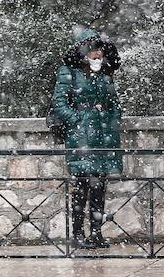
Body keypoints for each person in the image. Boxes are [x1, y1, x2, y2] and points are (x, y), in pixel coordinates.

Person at [51, 27, 123, 250]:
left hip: (103, 138)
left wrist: (111, 119)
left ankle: (96, 232)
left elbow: (114, 103)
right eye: (93, 50)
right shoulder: (69, 72)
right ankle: (78, 233)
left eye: (99, 50)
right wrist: (79, 120)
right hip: (81, 138)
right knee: (81, 187)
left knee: (99, 187)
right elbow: (59, 103)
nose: (97, 54)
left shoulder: (105, 74)